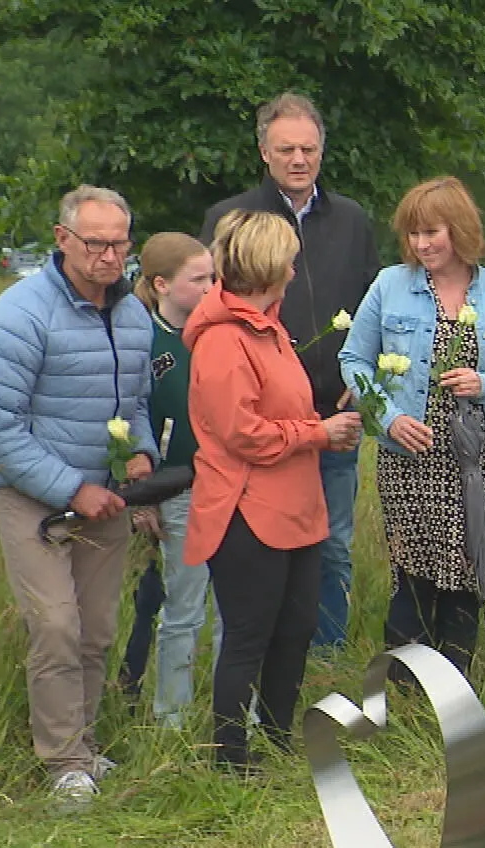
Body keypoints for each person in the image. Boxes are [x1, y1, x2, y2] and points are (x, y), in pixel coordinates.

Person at [0, 185, 156, 808]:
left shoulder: (133, 316)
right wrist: (68, 486)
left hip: (105, 497)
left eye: (119, 243)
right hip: (33, 495)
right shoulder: (18, 313)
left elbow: (135, 404)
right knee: (55, 624)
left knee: (98, 628)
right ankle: (63, 763)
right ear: (62, 239)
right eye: (95, 244)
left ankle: (83, 743)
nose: (109, 257)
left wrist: (142, 453)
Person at [202, 92, 380, 651]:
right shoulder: (232, 220)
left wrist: (367, 380)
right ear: (264, 151)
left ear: (322, 151)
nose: (299, 159)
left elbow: (373, 308)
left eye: (308, 148)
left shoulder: (351, 220)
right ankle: (250, 654)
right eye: (286, 150)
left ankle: (322, 657)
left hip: (335, 415)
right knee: (253, 547)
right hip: (257, 424)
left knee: (332, 546)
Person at [187, 210, 363, 770]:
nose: (295, 267)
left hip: (296, 505)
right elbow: (242, 433)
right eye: (288, 258)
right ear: (268, 266)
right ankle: (230, 757)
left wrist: (322, 433)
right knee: (248, 636)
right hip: (246, 511)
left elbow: (281, 412)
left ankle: (278, 739)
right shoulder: (222, 340)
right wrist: (316, 432)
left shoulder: (271, 327)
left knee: (296, 628)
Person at [338, 177, 485, 672]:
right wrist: (391, 417)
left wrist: (484, 382)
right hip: (412, 460)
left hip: (479, 461)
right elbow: (354, 359)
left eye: (432, 232)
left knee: (468, 576)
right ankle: (402, 692)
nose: (421, 245)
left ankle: (456, 691)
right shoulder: (389, 286)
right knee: (416, 577)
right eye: (413, 234)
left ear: (461, 230)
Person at [123, 233, 215, 728]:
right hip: (173, 492)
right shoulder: (143, 338)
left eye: (212, 276)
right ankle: (170, 720)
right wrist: (144, 498)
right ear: (161, 284)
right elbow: (133, 415)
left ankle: (227, 716)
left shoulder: (214, 331)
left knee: (228, 611)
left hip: (223, 486)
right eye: (197, 279)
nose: (209, 287)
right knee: (181, 608)